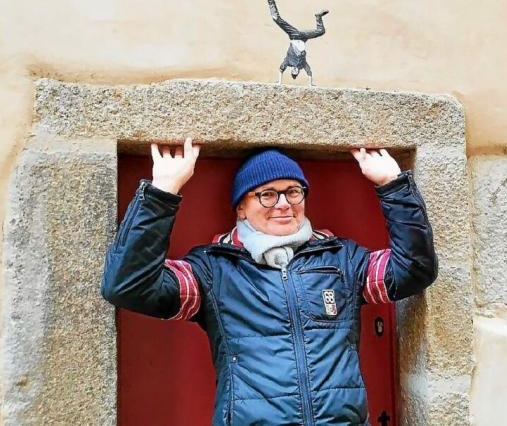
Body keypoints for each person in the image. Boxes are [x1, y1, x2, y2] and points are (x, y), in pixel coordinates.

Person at [102, 138, 437, 425]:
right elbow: (130, 285)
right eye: (266, 194)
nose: (283, 204)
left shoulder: (343, 261)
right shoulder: (214, 269)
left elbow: (412, 271)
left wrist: (393, 184)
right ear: (241, 209)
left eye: (293, 191)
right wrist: (163, 191)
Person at [257, 0, 329, 85]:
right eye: (296, 73)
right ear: (298, 72)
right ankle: (318, 16)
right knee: (321, 31)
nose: (295, 71)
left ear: (291, 71)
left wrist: (279, 83)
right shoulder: (302, 65)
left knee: (276, 18)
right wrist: (310, 84)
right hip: (303, 37)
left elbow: (280, 70)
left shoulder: (288, 62)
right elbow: (309, 73)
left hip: (294, 35)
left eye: (293, 73)